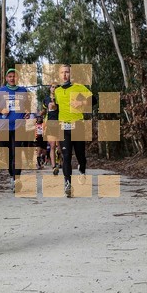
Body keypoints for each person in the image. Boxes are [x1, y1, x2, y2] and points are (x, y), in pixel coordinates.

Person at [53, 64, 96, 198]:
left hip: (77, 125)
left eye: (67, 72)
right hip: (63, 127)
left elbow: (93, 100)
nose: (65, 75)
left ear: (71, 74)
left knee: (80, 155)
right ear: (59, 75)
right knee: (66, 156)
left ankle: (82, 169)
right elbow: (57, 109)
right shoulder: (57, 91)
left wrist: (81, 103)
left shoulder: (78, 87)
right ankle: (67, 184)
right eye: (62, 73)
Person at [0, 68, 32, 190]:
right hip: (4, 127)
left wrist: (27, 112)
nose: (12, 78)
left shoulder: (23, 91)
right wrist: (1, 110)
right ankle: (12, 175)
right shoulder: (0, 91)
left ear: (17, 78)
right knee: (8, 154)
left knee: (17, 153)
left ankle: (17, 179)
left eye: (14, 76)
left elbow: (27, 107)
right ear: (6, 78)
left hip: (20, 126)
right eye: (10, 76)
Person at [44, 83, 60, 175]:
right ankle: (54, 167)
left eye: (56, 87)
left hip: (60, 123)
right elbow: (49, 106)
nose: (54, 89)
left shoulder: (61, 98)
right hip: (51, 124)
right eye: (53, 87)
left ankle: (59, 161)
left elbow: (54, 106)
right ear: (50, 89)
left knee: (59, 147)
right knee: (52, 146)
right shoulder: (46, 99)